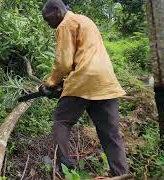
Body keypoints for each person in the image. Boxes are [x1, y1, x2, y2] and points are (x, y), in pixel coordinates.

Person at [41, 0, 129, 177]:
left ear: (57, 10)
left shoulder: (65, 24)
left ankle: (66, 167)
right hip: (106, 80)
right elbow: (84, 55)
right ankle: (120, 172)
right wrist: (62, 84)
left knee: (62, 121)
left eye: (47, 18)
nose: (47, 23)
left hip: (84, 78)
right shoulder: (84, 20)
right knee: (110, 132)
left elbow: (64, 63)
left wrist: (50, 83)